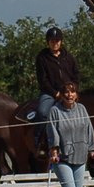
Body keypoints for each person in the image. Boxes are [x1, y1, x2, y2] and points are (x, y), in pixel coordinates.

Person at [46, 82, 94, 187]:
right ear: (62, 96)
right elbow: (52, 133)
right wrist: (54, 152)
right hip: (62, 157)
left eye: (72, 92)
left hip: (80, 155)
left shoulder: (82, 109)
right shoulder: (55, 111)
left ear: (76, 94)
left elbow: (89, 129)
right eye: (67, 92)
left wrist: (92, 149)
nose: (70, 95)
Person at [33, 27, 81, 159]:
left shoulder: (68, 57)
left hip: (69, 93)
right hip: (49, 93)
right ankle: (39, 144)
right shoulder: (42, 58)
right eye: (52, 41)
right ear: (48, 42)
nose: (55, 43)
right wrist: (56, 93)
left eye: (57, 41)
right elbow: (43, 80)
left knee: (82, 113)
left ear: (61, 42)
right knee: (42, 113)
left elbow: (76, 74)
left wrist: (73, 90)